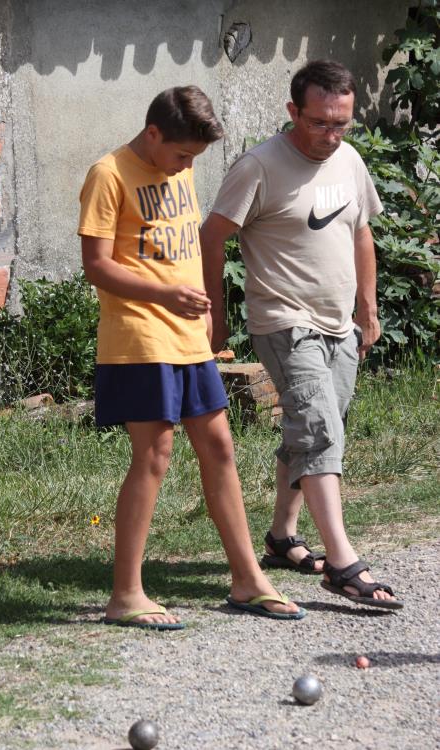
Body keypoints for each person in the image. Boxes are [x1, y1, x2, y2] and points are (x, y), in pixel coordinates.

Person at [78, 85, 306, 630]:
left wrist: (206, 308)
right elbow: (96, 265)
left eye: (194, 158)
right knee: (155, 454)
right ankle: (126, 595)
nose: (187, 165)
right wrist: (165, 297)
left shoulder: (179, 166)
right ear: (153, 133)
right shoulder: (108, 174)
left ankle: (248, 578)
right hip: (138, 334)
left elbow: (186, 244)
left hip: (185, 331)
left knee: (220, 445)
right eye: (183, 154)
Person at [200, 61, 403, 610]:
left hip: (339, 321)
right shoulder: (258, 167)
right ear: (293, 112)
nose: (332, 136)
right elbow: (212, 237)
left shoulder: (349, 159)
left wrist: (368, 303)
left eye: (342, 124)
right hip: (285, 322)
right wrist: (215, 313)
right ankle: (342, 563)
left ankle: (282, 538)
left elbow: (360, 230)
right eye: (320, 123)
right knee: (318, 432)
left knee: (315, 427)